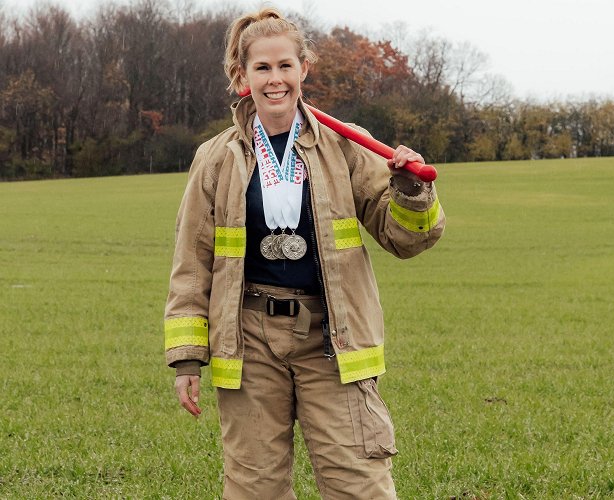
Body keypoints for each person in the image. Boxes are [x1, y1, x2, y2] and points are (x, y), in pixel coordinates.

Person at [164, 7, 445, 499]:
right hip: (250, 342)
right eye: (262, 68)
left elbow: (405, 238)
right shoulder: (215, 158)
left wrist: (408, 190)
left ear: (304, 69)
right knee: (255, 491)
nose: (276, 79)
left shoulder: (345, 146)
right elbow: (192, 264)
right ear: (241, 77)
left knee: (358, 485)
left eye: (286, 65)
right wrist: (187, 360)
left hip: (331, 338)